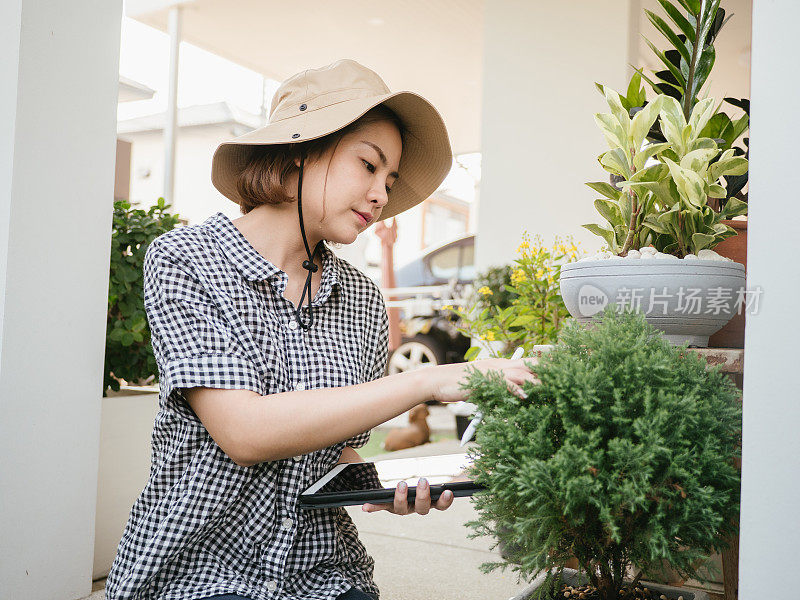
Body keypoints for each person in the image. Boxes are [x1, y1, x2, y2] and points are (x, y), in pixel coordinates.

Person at [105, 59, 538, 600]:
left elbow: (334, 452)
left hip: (322, 572)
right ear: (300, 151)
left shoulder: (361, 298)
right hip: (195, 570)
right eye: (368, 165)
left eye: (391, 179)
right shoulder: (185, 259)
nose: (382, 195)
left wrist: (380, 487)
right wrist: (428, 382)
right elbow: (245, 433)